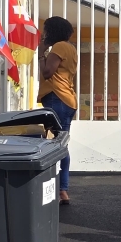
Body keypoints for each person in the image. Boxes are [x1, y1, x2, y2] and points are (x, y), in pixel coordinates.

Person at [37, 16, 78, 205]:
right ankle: (63, 190)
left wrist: (41, 53)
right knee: (61, 144)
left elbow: (47, 72)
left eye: (45, 29)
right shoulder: (70, 47)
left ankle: (55, 189)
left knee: (55, 145)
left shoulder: (59, 47)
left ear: (52, 31)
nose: (43, 33)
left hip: (56, 98)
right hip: (67, 100)